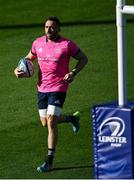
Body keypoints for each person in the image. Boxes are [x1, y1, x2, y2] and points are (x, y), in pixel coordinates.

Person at [14, 16, 88, 172]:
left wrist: (73, 72)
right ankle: (71, 118)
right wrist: (18, 70)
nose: (49, 30)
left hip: (59, 87)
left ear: (59, 29)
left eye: (53, 27)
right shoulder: (37, 43)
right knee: (45, 122)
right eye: (47, 27)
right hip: (42, 88)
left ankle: (49, 161)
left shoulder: (67, 45)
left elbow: (83, 58)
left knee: (51, 121)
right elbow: (28, 58)